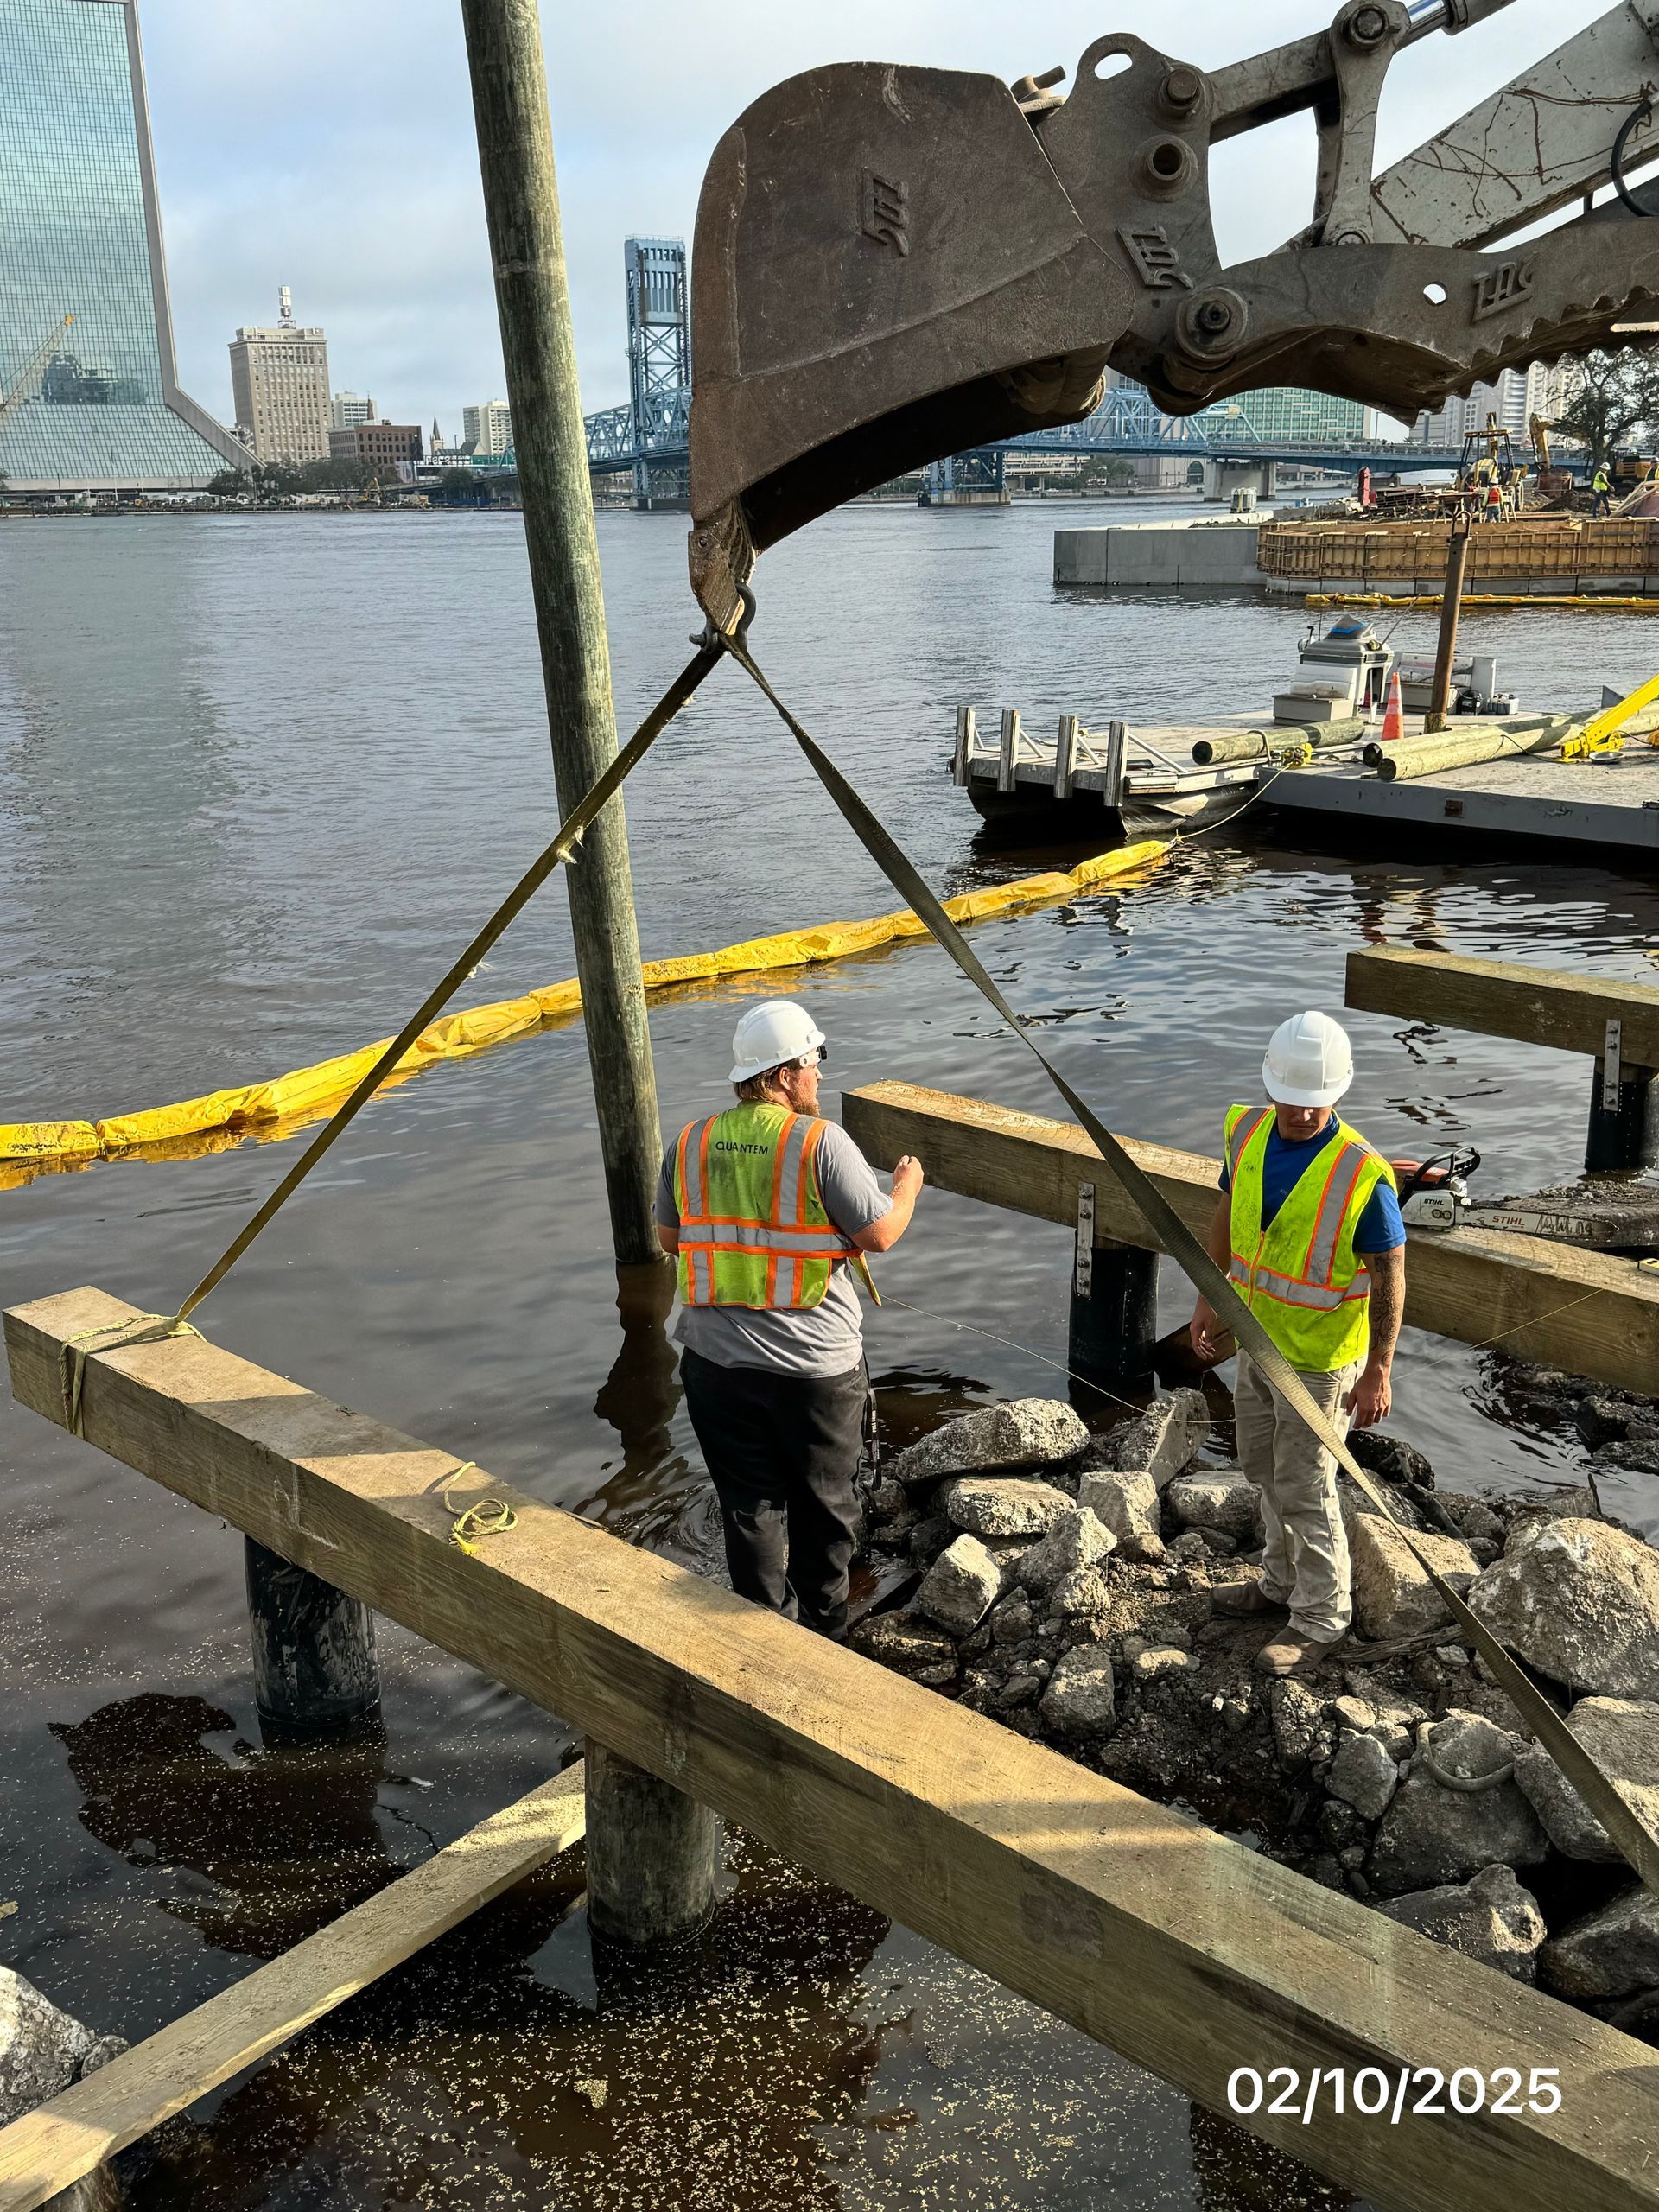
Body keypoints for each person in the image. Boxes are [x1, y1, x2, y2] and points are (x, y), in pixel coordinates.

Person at [654, 999, 923, 1638]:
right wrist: (908, 1185)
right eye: (813, 1061)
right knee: (825, 1511)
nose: (820, 1075)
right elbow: (879, 1233)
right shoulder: (819, 1143)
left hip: (715, 1366)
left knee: (748, 1508)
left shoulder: (690, 1141)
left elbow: (670, 1241)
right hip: (813, 1372)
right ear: (781, 1076)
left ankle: (762, 1635)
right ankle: (823, 1640)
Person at [1189, 1013, 1406, 1677]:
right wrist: (1207, 1294)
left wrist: (1379, 1371)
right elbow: (1228, 1212)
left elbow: (1390, 1274)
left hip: (1321, 1362)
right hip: (1257, 1340)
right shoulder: (1249, 1132)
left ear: (1336, 1095)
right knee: (1260, 1466)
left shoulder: (1361, 1176)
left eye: (1318, 1103)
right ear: (1271, 1086)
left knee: (1307, 1487)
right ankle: (1278, 1584)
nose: (1304, 1115)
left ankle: (1320, 1618)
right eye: (1294, 1100)